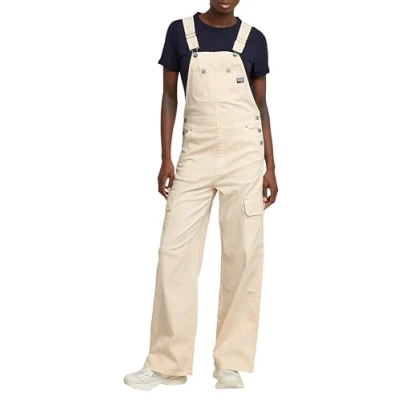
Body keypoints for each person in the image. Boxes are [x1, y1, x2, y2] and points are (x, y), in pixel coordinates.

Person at [124, 0, 278, 390]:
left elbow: (261, 106)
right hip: (195, 152)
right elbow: (169, 98)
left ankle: (231, 362)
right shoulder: (180, 32)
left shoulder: (254, 39)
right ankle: (167, 363)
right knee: (173, 254)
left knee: (244, 254)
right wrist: (165, 157)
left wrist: (271, 166)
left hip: (245, 155)